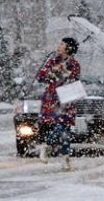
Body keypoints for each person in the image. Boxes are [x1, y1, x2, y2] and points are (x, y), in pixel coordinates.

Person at [36, 37, 80, 171]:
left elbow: (73, 79)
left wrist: (64, 71)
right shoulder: (52, 61)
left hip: (66, 99)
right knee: (60, 125)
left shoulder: (74, 64)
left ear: (68, 48)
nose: (59, 46)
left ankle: (65, 158)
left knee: (65, 128)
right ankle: (47, 145)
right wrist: (53, 71)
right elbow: (41, 77)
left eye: (62, 44)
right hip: (52, 99)